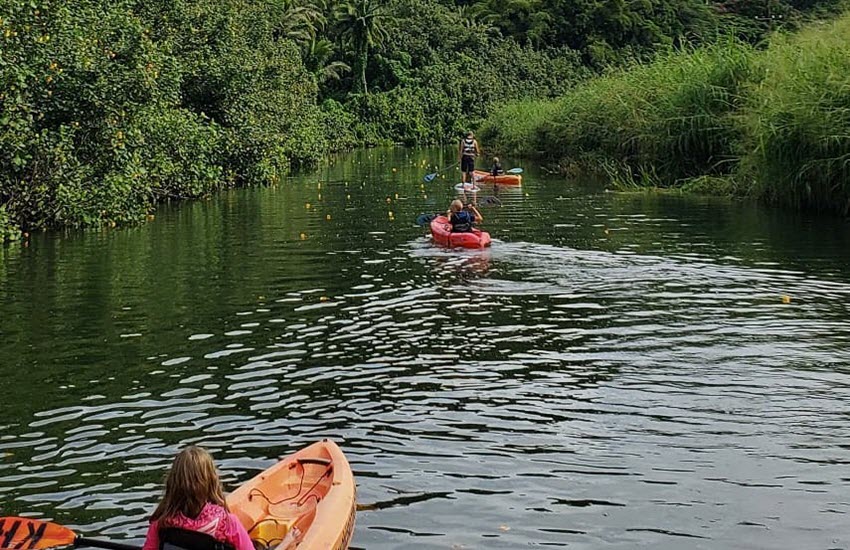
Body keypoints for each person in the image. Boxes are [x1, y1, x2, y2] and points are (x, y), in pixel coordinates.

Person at [142, 447, 299, 550]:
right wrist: (286, 543)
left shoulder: (160, 523)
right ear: (211, 481)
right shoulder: (226, 523)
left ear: (173, 482)